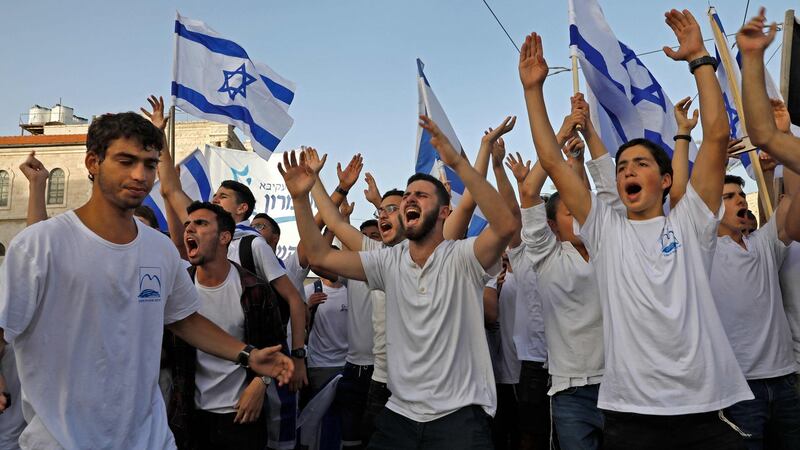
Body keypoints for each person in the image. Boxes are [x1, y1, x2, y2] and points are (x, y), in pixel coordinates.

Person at [519, 9, 753, 448]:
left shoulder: (691, 221)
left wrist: (700, 59)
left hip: (704, 409)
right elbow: (552, 160)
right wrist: (533, 91)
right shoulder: (605, 231)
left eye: (641, 163)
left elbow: (718, 139)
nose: (627, 170)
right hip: (630, 416)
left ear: (664, 181)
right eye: (622, 165)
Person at [0, 109, 292, 449]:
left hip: (150, 438)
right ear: (93, 162)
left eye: (150, 164)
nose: (141, 174)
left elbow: (185, 319)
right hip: (62, 440)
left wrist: (247, 355)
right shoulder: (40, 245)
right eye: (126, 161)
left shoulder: (160, 249)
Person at [282, 110, 516, 448]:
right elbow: (320, 255)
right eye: (407, 195)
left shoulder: (463, 258)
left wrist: (461, 163)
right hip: (398, 415)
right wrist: (301, 197)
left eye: (421, 195)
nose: (409, 198)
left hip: (460, 419)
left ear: (444, 212)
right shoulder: (387, 262)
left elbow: (506, 226)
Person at [169, 201, 285, 450]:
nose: (189, 229)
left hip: (242, 416)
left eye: (200, 223)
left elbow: (275, 349)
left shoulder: (255, 289)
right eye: (187, 224)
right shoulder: (178, 290)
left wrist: (260, 384)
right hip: (190, 418)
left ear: (224, 237)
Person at [709, 175, 800, 448]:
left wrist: (781, 155)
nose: (739, 199)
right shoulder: (703, 253)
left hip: (785, 380)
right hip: (739, 388)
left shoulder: (763, 244)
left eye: (740, 194)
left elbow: (792, 203)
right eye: (728, 196)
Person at [304, 275, 349, 392]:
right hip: (320, 363)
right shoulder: (310, 290)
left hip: (348, 363)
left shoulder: (351, 292)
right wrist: (307, 306)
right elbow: (297, 324)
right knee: (320, 408)